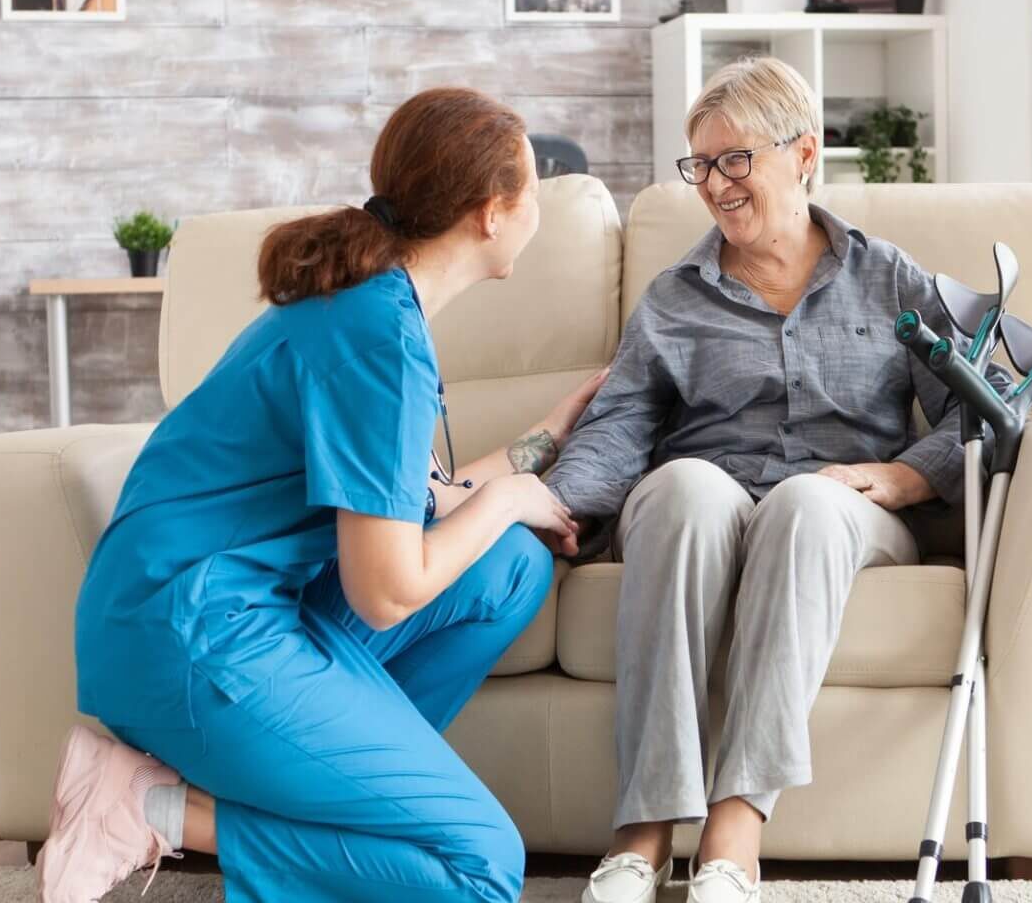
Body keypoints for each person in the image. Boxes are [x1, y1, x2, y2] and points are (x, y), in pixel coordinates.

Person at [36, 86, 608, 903]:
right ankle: (150, 806)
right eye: (533, 191)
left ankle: (341, 796)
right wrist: (510, 498)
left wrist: (551, 433)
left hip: (223, 608)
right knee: (480, 868)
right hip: (189, 636)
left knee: (513, 566)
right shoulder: (378, 340)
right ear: (491, 212)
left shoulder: (369, 304)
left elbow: (427, 497)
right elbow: (386, 592)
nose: (538, 209)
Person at [546, 57, 1008, 903]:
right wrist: (555, 500)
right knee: (683, 489)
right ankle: (643, 835)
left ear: (804, 153)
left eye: (735, 160)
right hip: (708, 495)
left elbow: (980, 408)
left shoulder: (890, 279)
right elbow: (619, 424)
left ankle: (734, 836)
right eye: (700, 165)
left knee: (806, 503)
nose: (714, 184)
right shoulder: (674, 297)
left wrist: (907, 476)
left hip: (844, 509)